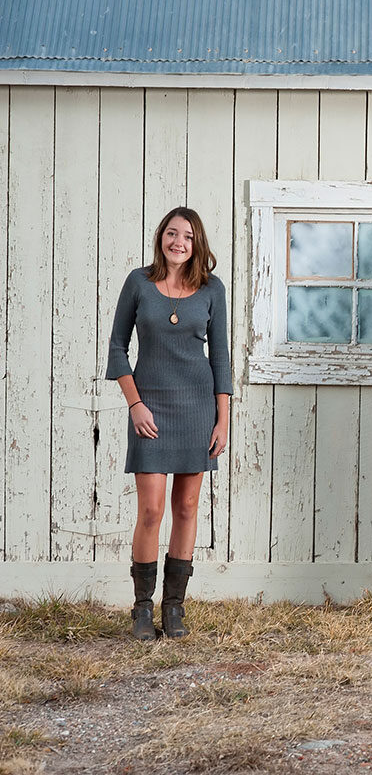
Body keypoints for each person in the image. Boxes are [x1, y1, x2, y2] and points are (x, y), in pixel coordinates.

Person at [106, 207, 233, 641]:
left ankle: (174, 608)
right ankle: (142, 609)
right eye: (172, 233)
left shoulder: (211, 289)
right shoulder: (138, 282)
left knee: (186, 508)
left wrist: (223, 420)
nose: (179, 242)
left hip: (198, 408)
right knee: (151, 509)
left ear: (198, 244)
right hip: (151, 406)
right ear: (161, 236)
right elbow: (118, 348)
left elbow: (221, 359)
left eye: (188, 236)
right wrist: (135, 404)